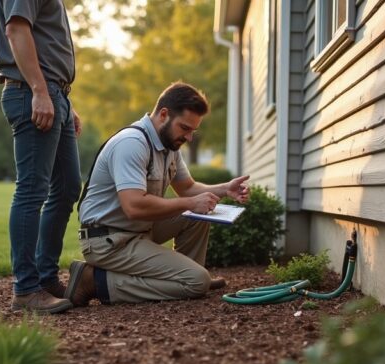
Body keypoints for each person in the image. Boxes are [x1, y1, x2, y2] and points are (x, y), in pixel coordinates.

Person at [64, 82, 250, 306]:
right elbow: (134, 206)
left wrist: (223, 189)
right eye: (185, 128)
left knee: (199, 215)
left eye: (193, 130)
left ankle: (185, 277)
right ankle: (93, 281)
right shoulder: (132, 143)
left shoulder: (168, 145)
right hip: (109, 240)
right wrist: (190, 202)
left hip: (138, 230)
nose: (189, 137)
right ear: (164, 115)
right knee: (197, 280)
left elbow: (188, 188)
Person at [0, 0, 82, 313]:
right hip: (33, 92)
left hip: (54, 94)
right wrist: (41, 92)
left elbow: (46, 43)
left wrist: (64, 104)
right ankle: (26, 289)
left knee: (68, 186)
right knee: (32, 190)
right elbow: (17, 30)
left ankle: (44, 278)